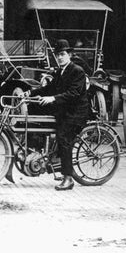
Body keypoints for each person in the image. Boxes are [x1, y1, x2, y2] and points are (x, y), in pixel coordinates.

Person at [34, 40, 91, 191]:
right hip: (65, 110)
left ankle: (68, 178)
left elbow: (74, 94)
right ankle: (53, 161)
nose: (59, 57)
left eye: (62, 54)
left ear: (70, 55)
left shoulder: (77, 70)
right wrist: (30, 93)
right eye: (57, 55)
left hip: (77, 112)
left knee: (63, 137)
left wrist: (53, 98)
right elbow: (49, 89)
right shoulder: (60, 72)